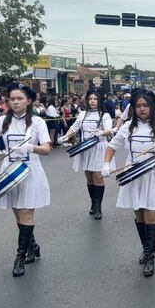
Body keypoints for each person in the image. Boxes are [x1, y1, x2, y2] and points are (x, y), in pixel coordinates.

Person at [0, 83, 52, 277]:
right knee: (18, 214)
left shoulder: (38, 123)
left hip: (30, 172)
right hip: (10, 172)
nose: (15, 102)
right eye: (12, 99)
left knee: (27, 212)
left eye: (19, 98)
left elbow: (46, 149)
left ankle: (20, 257)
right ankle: (33, 245)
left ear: (28, 101)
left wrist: (31, 148)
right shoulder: (2, 121)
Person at [102, 91, 155, 277]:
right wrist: (105, 163)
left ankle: (150, 257)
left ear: (152, 107)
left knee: (152, 214)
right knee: (140, 215)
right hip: (133, 174)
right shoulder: (127, 127)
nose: (142, 109)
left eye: (145, 105)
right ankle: (146, 248)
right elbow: (112, 146)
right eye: (138, 106)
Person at [56, 91, 114, 220]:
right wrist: (66, 136)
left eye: (95, 99)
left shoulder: (104, 115)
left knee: (97, 176)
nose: (92, 101)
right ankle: (93, 204)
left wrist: (101, 132)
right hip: (85, 148)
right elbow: (75, 127)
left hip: (99, 148)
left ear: (99, 101)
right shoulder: (82, 114)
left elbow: (109, 129)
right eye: (90, 99)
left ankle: (98, 207)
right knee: (89, 177)